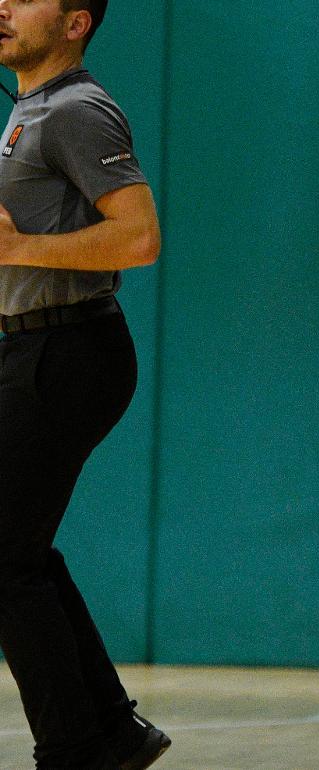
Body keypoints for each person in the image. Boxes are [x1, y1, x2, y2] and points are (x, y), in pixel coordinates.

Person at [0, 1, 168, 768]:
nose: (3, 4)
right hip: (32, 349)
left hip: (72, 352)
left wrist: (24, 247)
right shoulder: (30, 109)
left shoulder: (77, 109)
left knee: (8, 557)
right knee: (19, 550)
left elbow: (138, 237)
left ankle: (78, 750)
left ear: (75, 24)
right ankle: (109, 732)